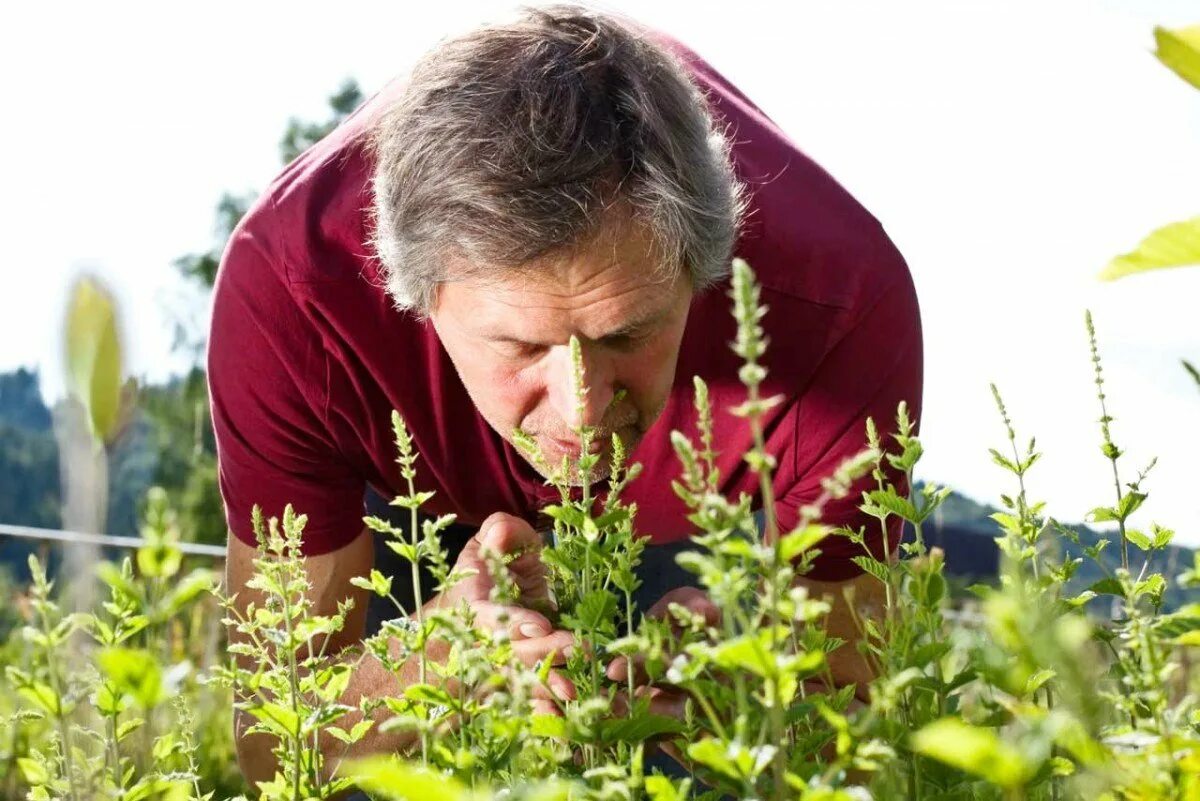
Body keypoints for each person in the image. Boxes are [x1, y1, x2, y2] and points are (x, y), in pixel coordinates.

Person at [210, 4, 923, 786]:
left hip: (695, 515)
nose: (583, 411)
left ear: (703, 271)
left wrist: (755, 704)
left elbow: (860, 721)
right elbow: (272, 742)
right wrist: (431, 658)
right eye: (522, 346)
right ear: (418, 295)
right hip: (409, 491)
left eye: (628, 334)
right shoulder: (293, 294)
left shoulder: (842, 302)